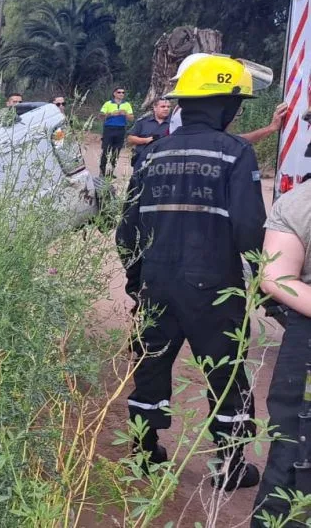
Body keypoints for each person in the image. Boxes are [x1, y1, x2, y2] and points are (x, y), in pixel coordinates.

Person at [116, 54, 266, 490]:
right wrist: (263, 283)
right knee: (225, 371)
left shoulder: (154, 153)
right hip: (215, 287)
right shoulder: (236, 153)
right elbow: (249, 228)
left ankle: (145, 454)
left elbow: (127, 228)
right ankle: (230, 465)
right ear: (225, 105)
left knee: (150, 366)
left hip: (156, 283)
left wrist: (137, 282)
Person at [251, 176, 311, 526]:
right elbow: (274, 275)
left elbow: (274, 275)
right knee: (293, 459)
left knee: (291, 461)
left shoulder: (299, 200)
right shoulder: (300, 202)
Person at [169, 53, 288, 143]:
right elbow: (224, 142)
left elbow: (224, 141)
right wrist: (270, 129)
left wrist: (270, 128)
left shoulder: (187, 110)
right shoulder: (192, 113)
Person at [126, 97, 172, 171]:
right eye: (163, 106)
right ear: (155, 107)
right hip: (143, 159)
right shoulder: (143, 122)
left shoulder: (174, 123)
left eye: (168, 107)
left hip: (164, 161)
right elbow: (130, 139)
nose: (166, 109)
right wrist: (146, 140)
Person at [99, 87, 135, 177]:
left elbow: (132, 118)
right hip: (109, 129)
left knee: (116, 151)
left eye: (123, 92)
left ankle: (111, 172)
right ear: (114, 94)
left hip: (121, 129)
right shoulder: (108, 103)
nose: (121, 94)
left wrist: (125, 114)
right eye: (119, 92)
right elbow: (100, 116)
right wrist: (111, 114)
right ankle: (102, 171)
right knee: (106, 151)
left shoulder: (127, 104)